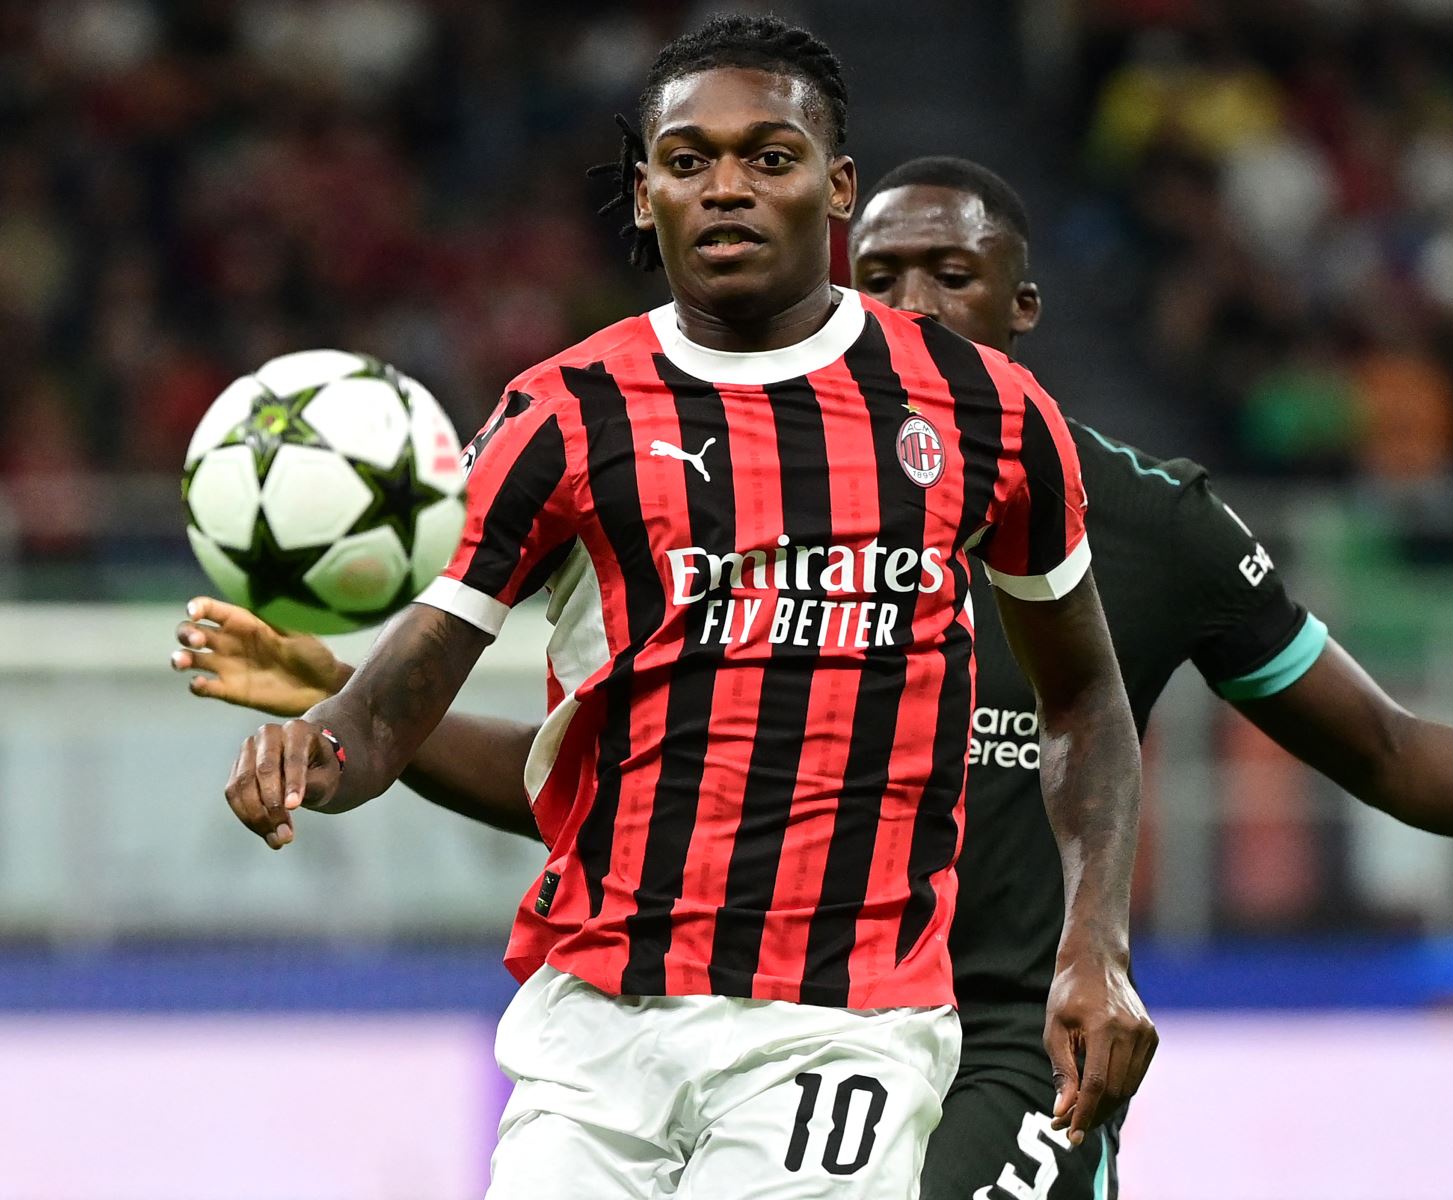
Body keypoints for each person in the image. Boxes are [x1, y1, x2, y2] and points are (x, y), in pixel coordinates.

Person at [181, 156, 1453, 1198]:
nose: (912, 307)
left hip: (1009, 1037)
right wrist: (343, 700)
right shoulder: (759, 510)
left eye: (950, 277)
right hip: (788, 1015)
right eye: (883, 277)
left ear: (1024, 309)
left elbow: (1383, 746)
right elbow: (602, 800)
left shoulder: (1154, 524)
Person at [208, 21, 1156, 1200]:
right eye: (688, 158)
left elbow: (1086, 698)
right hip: (595, 1017)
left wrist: (1094, 946)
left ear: (837, 187)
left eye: (770, 157)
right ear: (645, 190)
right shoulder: (561, 415)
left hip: (843, 1023)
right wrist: (317, 748)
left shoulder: (983, 412)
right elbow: (407, 691)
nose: (727, 188)